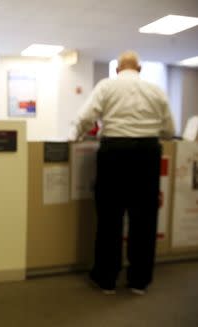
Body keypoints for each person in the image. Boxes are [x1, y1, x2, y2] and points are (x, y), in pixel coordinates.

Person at [70, 51, 175, 295]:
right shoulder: (156, 90)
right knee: (144, 220)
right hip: (147, 154)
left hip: (114, 152)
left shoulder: (107, 86)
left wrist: (73, 137)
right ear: (139, 69)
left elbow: (86, 117)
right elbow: (170, 129)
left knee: (110, 218)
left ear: (117, 69)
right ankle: (139, 281)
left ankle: (106, 279)